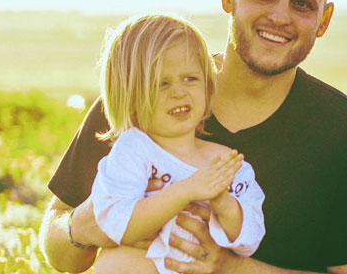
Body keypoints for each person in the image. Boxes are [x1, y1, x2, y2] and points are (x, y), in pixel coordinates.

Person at [40, 0, 347, 274]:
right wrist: (88, 225)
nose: (280, 16)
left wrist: (231, 267)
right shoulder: (143, 98)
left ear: (324, 19)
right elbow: (58, 248)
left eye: (302, 3)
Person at [88, 14, 265, 274]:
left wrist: (223, 204)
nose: (178, 92)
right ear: (131, 96)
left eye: (190, 79)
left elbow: (250, 239)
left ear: (207, 83)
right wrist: (185, 190)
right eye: (162, 83)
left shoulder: (226, 162)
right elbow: (118, 223)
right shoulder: (134, 150)